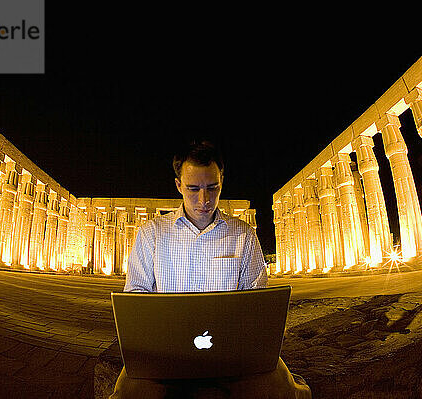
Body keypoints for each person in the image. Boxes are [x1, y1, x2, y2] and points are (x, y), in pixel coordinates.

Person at [110, 140, 311, 398]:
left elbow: (258, 303)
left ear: (222, 182)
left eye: (212, 188)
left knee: (280, 389)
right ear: (178, 185)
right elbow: (135, 297)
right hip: (165, 352)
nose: (204, 200)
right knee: (128, 392)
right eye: (193, 189)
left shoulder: (244, 235)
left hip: (234, 352)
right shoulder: (152, 234)